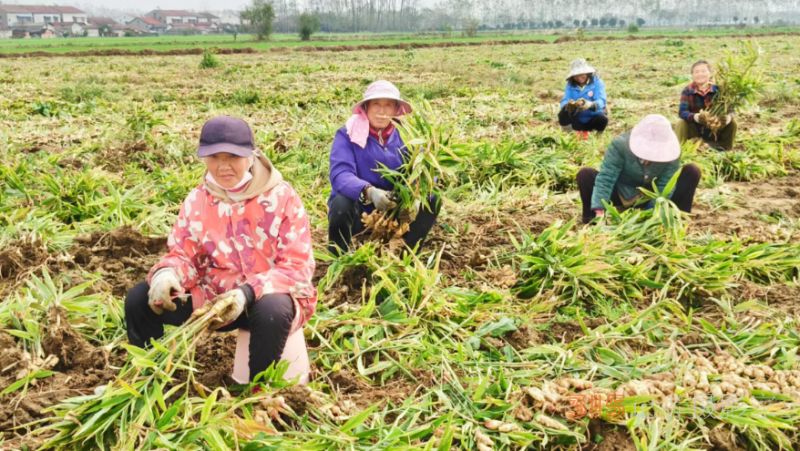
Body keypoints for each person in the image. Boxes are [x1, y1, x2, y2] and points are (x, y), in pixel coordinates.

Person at [125, 116, 317, 382]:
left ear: (251, 156)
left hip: (271, 301)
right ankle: (145, 379)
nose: (223, 166)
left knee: (272, 310)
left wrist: (247, 293)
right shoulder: (197, 200)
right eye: (214, 156)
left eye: (233, 156)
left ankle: (260, 390)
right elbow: (186, 254)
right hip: (216, 301)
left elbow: (297, 267)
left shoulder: (282, 198)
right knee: (140, 299)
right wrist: (168, 273)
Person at [328, 80, 440, 256]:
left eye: (388, 105)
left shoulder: (409, 135)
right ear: (366, 108)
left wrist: (416, 198)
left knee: (433, 199)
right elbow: (340, 174)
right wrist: (369, 192)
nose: (381, 111)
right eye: (376, 105)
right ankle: (337, 257)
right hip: (362, 212)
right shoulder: (347, 134)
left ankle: (406, 255)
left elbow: (427, 170)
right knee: (341, 203)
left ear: (396, 109)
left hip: (397, 210)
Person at [576, 114, 701, 224]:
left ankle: (679, 218)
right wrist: (599, 210)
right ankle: (591, 220)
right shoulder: (620, 145)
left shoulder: (672, 151)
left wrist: (652, 213)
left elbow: (666, 184)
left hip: (652, 195)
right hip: (622, 193)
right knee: (585, 174)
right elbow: (606, 178)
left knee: (692, 171)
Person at [675, 59, 737, 151]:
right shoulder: (687, 90)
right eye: (696, 72)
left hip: (715, 129)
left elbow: (732, 111)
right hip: (695, 130)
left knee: (733, 123)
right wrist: (696, 117)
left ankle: (724, 149)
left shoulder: (720, 90)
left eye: (703, 71)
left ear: (710, 73)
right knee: (681, 122)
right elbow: (682, 112)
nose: (700, 74)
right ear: (692, 75)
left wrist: (728, 118)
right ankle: (679, 149)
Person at [558, 58, 609, 140]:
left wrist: (591, 104)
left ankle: (597, 138)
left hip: (593, 118)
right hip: (577, 118)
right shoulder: (570, 85)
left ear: (587, 73)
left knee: (602, 119)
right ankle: (568, 137)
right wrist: (567, 106)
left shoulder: (597, 83)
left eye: (582, 75)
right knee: (562, 114)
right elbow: (565, 99)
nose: (579, 78)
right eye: (576, 76)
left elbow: (601, 100)